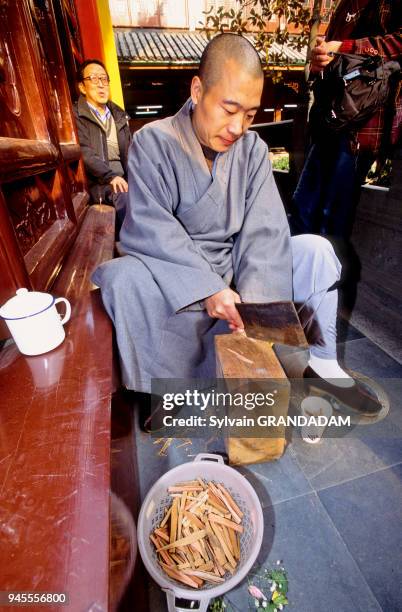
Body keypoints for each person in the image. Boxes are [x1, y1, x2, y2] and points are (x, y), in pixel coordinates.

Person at [93, 34, 382, 418]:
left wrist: (255, 311)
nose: (237, 127)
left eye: (249, 114)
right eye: (228, 109)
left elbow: (264, 232)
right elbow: (152, 227)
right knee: (124, 278)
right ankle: (167, 391)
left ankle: (323, 364)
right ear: (198, 90)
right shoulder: (153, 142)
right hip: (176, 272)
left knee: (315, 250)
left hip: (236, 265)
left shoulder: (253, 150)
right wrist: (209, 287)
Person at [291, 0, 402, 238]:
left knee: (330, 222)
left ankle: (326, 274)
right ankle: (293, 272)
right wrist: (320, 58)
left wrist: (345, 47)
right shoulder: (345, 5)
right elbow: (330, 55)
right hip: (329, 119)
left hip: (362, 125)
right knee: (301, 212)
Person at [73, 59, 131, 228]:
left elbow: (132, 151)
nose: (101, 85)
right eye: (94, 79)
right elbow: (84, 152)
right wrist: (110, 176)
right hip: (101, 182)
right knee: (127, 201)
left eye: (104, 79)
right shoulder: (76, 115)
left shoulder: (119, 115)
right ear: (82, 87)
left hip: (125, 179)